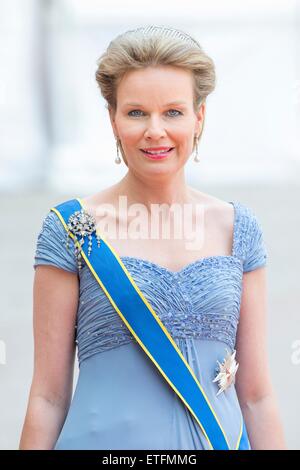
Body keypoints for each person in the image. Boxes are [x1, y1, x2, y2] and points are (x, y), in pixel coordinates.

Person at [19, 25, 287, 450]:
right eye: (137, 112)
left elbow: (257, 396)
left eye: (173, 113)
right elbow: (48, 397)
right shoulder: (70, 229)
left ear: (200, 117)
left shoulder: (237, 229)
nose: (155, 131)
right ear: (113, 119)